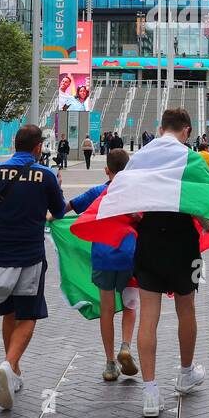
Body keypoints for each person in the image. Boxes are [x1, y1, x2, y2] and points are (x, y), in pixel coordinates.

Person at [0, 123, 65, 411]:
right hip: (29, 254)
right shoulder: (44, 176)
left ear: (15, 144)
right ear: (37, 148)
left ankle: (14, 372)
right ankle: (9, 365)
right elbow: (58, 211)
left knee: (8, 312)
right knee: (28, 315)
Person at [133, 107, 209, 418]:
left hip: (149, 241)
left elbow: (129, 197)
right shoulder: (190, 158)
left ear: (160, 127)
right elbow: (205, 198)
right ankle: (185, 373)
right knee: (186, 308)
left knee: (148, 315)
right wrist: (204, 221)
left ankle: (150, 393)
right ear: (187, 131)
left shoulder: (142, 156)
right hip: (184, 245)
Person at [65, 148, 139, 381]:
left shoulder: (98, 191)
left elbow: (66, 208)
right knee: (130, 305)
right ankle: (126, 346)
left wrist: (50, 218)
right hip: (130, 255)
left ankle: (110, 364)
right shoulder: (136, 193)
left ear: (107, 169)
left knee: (107, 309)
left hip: (103, 257)